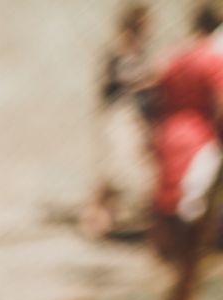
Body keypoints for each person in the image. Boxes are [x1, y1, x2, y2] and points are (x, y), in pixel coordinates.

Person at [147, 6, 223, 261]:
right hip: (199, 136)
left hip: (168, 132)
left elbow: (154, 96)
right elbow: (220, 105)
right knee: (194, 209)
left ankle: (170, 263)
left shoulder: (173, 56)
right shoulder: (213, 60)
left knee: (168, 203)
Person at [84, 6, 154, 239]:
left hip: (135, 116)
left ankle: (105, 218)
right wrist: (135, 83)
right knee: (114, 168)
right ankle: (95, 219)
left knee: (124, 169)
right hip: (120, 114)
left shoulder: (140, 52)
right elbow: (108, 87)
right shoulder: (118, 52)